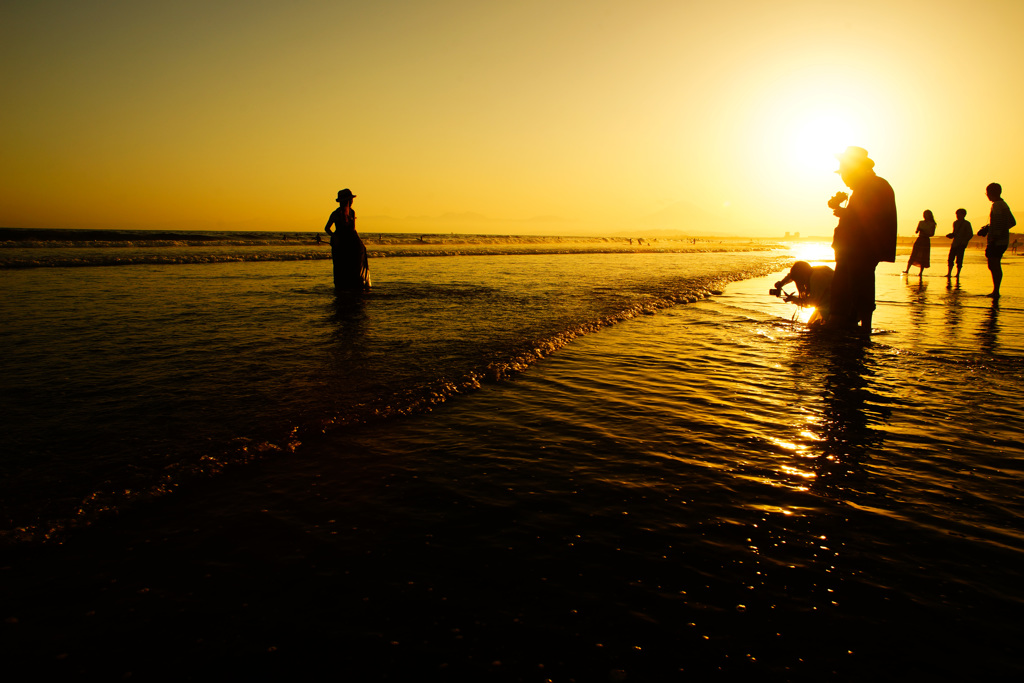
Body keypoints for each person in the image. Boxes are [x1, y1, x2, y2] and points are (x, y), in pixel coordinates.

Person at [829, 146, 898, 331]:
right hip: (854, 249)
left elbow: (869, 217)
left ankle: (863, 329)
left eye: (843, 172)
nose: (843, 177)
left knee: (859, 287)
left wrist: (846, 213)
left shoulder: (872, 186)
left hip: (860, 249)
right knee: (849, 288)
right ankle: (852, 326)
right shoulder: (867, 186)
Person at [324, 189, 371, 291]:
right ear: (348, 200)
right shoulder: (336, 213)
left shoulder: (352, 212)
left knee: (348, 268)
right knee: (341, 268)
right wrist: (334, 236)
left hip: (349, 242)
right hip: (340, 244)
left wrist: (359, 244)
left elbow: (353, 230)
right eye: (350, 199)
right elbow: (327, 228)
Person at [978, 182, 1016, 298]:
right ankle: (996, 291)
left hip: (997, 241)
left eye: (987, 193)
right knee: (994, 264)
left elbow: (1000, 223)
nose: (987, 195)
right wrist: (992, 229)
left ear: (991, 193)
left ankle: (996, 291)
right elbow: (1012, 222)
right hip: (1003, 240)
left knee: (994, 265)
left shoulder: (997, 205)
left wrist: (994, 236)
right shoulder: (1004, 204)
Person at [774, 260, 835, 325]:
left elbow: (812, 302)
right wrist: (781, 283)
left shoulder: (816, 278)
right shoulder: (812, 270)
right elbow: (792, 276)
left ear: (802, 276)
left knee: (815, 325)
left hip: (833, 306)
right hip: (832, 302)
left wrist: (795, 300)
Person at [904, 210, 936, 275]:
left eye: (926, 214)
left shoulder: (932, 224)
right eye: (924, 214)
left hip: (926, 240)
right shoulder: (921, 222)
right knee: (914, 254)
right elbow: (916, 231)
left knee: (924, 256)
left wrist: (925, 232)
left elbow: (932, 234)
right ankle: (907, 270)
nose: (925, 216)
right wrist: (918, 230)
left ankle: (921, 272)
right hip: (920, 239)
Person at [945, 208, 973, 279]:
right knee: (950, 258)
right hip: (955, 243)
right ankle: (949, 273)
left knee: (959, 259)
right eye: (956, 214)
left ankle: (958, 274)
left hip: (961, 244)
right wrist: (951, 235)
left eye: (958, 214)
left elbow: (970, 234)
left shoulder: (967, 223)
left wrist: (964, 241)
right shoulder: (955, 223)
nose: (957, 215)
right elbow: (955, 233)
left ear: (963, 215)